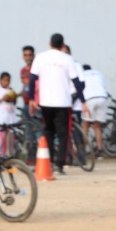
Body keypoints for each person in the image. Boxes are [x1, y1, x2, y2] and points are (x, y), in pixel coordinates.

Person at [29, 33, 84, 175]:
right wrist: (83, 101)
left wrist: (31, 99)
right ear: (62, 45)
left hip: (45, 101)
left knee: (48, 131)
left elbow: (32, 78)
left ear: (50, 43)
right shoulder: (67, 59)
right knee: (63, 133)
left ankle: (50, 162)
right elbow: (77, 82)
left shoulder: (40, 57)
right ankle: (59, 164)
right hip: (63, 102)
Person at [80, 63, 108, 156]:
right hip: (102, 97)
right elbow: (104, 86)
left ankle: (83, 150)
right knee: (97, 126)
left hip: (90, 99)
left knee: (85, 125)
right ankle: (100, 151)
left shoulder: (82, 74)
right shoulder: (98, 73)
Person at [0, 72, 19, 156]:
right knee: (1, 142)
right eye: (5, 80)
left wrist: (12, 99)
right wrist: (2, 99)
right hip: (0, 121)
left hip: (10, 121)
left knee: (10, 143)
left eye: (8, 80)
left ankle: (10, 159)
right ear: (0, 80)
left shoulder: (10, 90)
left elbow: (15, 102)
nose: (7, 82)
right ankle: (0, 158)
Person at [20, 45, 35, 115]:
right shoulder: (22, 70)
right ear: (23, 57)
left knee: (37, 125)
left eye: (30, 55)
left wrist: (30, 82)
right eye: (25, 55)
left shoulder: (36, 69)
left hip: (35, 103)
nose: (28, 57)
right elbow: (25, 86)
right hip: (26, 103)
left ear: (33, 56)